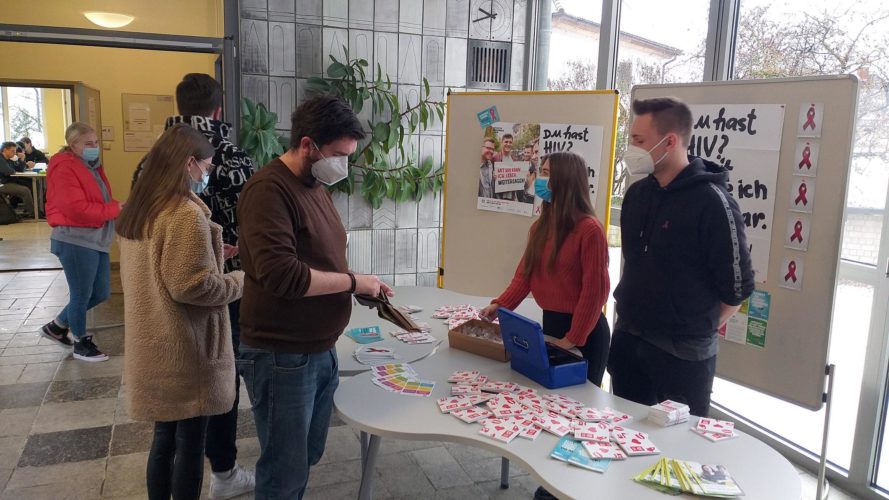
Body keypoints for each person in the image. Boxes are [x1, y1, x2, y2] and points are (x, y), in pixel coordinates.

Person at [237, 95, 393, 499]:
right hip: (282, 354)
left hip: (318, 348)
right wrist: (353, 283)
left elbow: (322, 256)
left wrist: (364, 287)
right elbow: (283, 275)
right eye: (338, 155)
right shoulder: (268, 191)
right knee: (284, 470)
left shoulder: (315, 184)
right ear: (308, 145)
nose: (343, 165)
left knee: (306, 454)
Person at [131, 72, 257, 499]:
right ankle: (224, 471)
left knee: (166, 434)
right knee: (200, 421)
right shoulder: (231, 164)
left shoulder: (146, 174)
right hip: (195, 328)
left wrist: (206, 253)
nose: (208, 173)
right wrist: (241, 276)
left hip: (154, 321)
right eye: (204, 168)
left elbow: (161, 255)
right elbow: (194, 284)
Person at [608, 97, 755, 418]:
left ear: (670, 141)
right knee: (626, 440)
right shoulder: (637, 194)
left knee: (678, 458)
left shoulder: (713, 203)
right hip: (630, 342)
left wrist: (692, 327)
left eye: (638, 140)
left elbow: (737, 290)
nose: (630, 148)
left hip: (683, 356)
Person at [480, 152, 610, 500]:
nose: (540, 180)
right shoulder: (540, 227)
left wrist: (573, 338)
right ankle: (554, 484)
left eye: (547, 174)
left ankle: (568, 489)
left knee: (577, 416)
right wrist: (498, 305)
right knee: (552, 411)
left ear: (565, 182)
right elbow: (523, 277)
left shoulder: (589, 230)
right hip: (552, 325)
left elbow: (594, 292)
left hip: (585, 332)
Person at [40, 123, 121, 360]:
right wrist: (114, 208)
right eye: (88, 143)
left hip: (95, 238)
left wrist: (115, 207)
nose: (94, 147)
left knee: (102, 292)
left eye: (96, 143)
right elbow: (76, 209)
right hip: (75, 239)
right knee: (81, 294)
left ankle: (57, 326)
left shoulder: (91, 167)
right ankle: (80, 342)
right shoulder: (65, 167)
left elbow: (97, 198)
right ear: (72, 144)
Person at [0, 141, 34, 219]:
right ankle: (33, 213)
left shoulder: (9, 158)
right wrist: (13, 168)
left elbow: (20, 169)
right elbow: (9, 171)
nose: (15, 153)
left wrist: (21, 159)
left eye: (15, 151)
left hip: (10, 181)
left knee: (32, 183)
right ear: (5, 150)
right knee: (24, 190)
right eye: (13, 151)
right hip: (3, 184)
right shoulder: (1, 159)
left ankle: (35, 209)